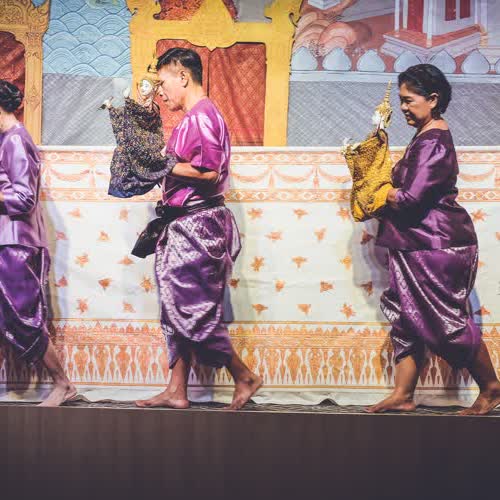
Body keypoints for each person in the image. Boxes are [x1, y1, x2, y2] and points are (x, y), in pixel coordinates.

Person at [131, 48, 262, 410]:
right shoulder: (196, 117)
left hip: (198, 226)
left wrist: (159, 163)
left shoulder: (202, 116)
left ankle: (243, 375)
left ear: (183, 76)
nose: (160, 92)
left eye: (163, 83)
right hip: (184, 225)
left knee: (191, 307)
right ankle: (177, 390)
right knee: (176, 305)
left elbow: (209, 172)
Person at [367, 64, 500, 415]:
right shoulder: (425, 136)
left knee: (445, 322)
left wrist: (378, 191)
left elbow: (410, 198)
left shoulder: (434, 142)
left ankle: (491, 387)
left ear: (433, 99)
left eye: (409, 100)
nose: (403, 108)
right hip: (415, 242)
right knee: (405, 316)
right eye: (401, 100)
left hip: (436, 244)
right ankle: (403, 393)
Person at [0, 80, 76, 407]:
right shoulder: (6, 139)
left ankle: (63, 384)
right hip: (6, 240)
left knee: (23, 316)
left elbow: (24, 198)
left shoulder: (17, 140)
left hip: (16, 243)